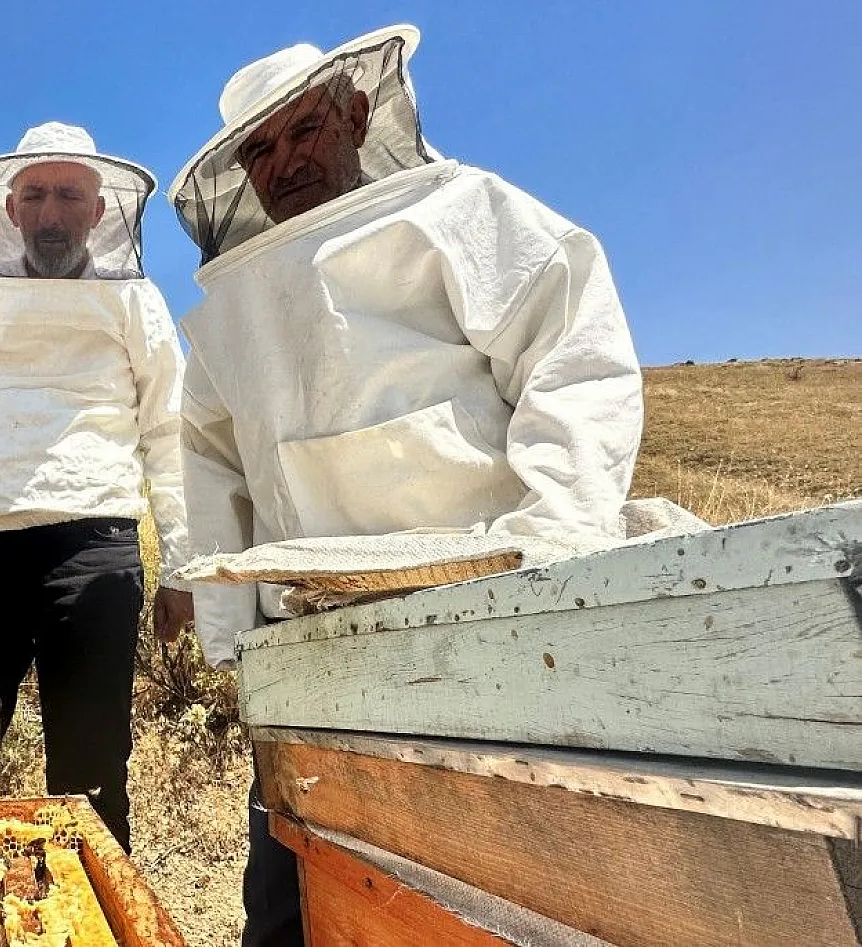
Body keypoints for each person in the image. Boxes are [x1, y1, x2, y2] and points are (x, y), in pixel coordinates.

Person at [168, 25, 642, 945]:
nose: (284, 161)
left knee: (483, 893)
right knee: (288, 891)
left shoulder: (465, 212)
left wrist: (556, 546)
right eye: (259, 151)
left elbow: (573, 354)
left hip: (489, 618)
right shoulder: (230, 308)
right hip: (311, 645)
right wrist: (235, 644)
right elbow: (209, 459)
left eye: (302, 129)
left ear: (355, 113)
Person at [0, 123, 193, 850]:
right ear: (11, 208)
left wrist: (182, 566)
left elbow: (170, 428)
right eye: (36, 194)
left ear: (98, 210)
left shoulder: (136, 298)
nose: (52, 212)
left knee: (90, 785)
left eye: (69, 195)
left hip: (95, 547)